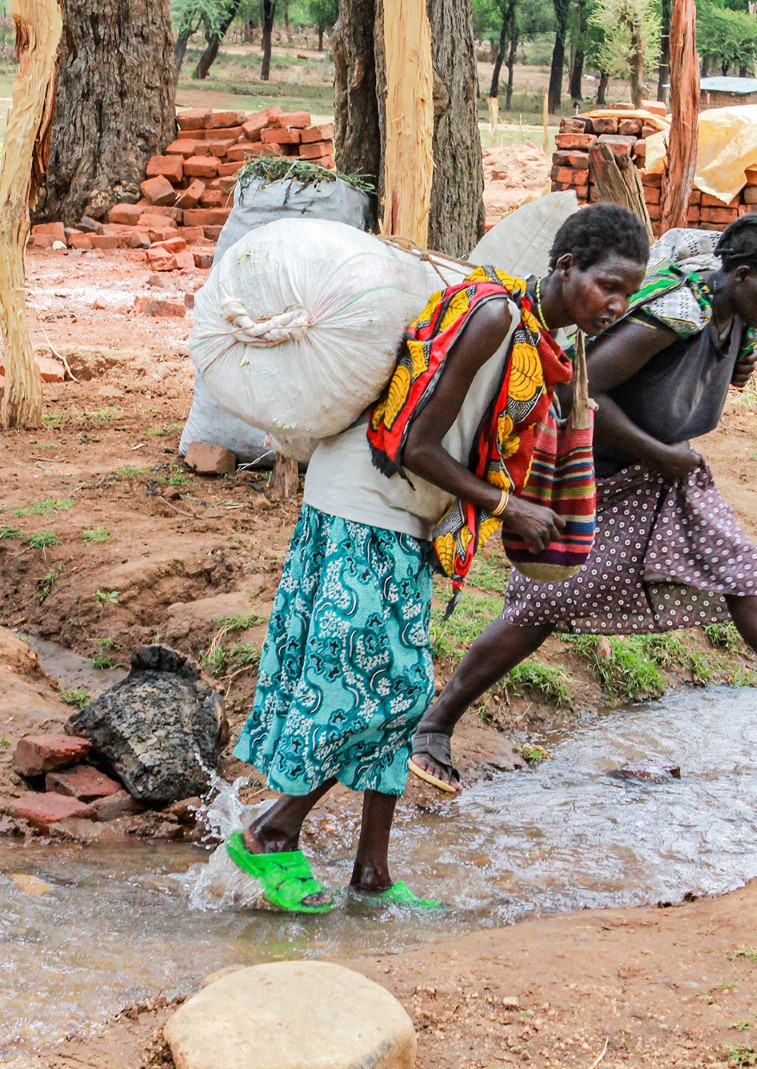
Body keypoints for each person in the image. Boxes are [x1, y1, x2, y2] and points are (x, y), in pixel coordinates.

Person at [225, 203, 651, 914]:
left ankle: (372, 875)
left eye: (629, 292)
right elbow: (412, 446)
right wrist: (507, 506)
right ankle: (271, 828)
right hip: (366, 501)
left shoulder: (542, 339)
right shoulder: (495, 319)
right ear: (567, 265)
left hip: (407, 514)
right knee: (377, 687)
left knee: (401, 691)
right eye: (608, 285)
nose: (618, 304)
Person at [407, 217, 757, 795]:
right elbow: (582, 388)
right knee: (541, 605)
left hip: (664, 474)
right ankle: (432, 726)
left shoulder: (730, 320)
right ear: (742, 275)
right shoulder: (677, 311)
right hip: (600, 474)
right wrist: (659, 453)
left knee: (746, 578)